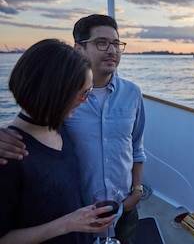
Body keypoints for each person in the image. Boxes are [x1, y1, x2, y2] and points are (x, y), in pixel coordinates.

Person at [0, 39, 115, 243]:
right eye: (83, 93)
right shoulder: (9, 156)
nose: (85, 101)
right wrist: (68, 224)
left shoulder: (60, 128)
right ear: (55, 93)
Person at [64, 14, 147, 244]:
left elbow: (136, 145)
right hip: (76, 212)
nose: (112, 50)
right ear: (79, 49)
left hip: (124, 211)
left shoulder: (132, 93)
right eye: (102, 42)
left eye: (116, 43)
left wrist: (136, 192)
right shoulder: (64, 96)